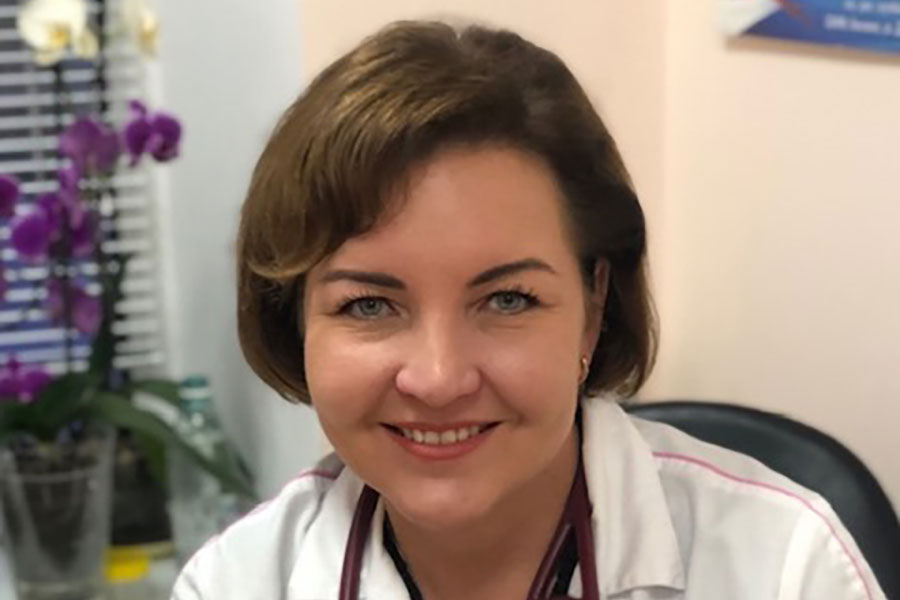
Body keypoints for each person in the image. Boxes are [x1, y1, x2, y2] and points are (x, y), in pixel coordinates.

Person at [171, 20, 887, 600]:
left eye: (507, 299)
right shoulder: (236, 583)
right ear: (296, 320)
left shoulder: (783, 567)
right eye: (368, 305)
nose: (439, 378)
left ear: (593, 306)